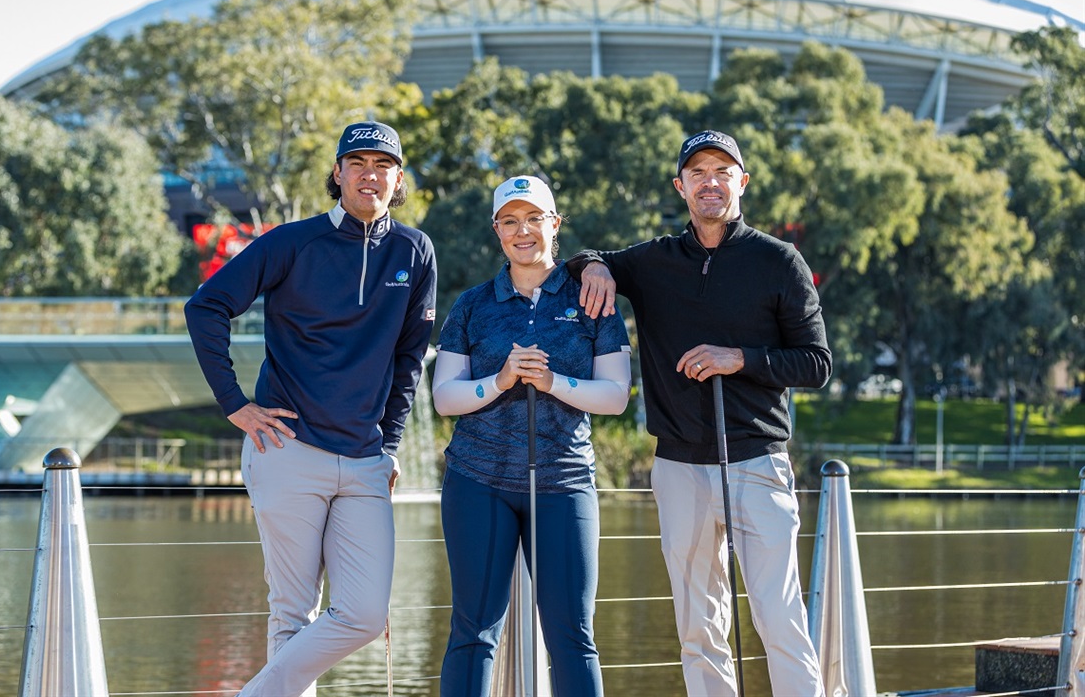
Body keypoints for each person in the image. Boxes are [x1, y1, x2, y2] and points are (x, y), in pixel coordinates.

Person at [568, 129, 831, 696]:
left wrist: (739, 358)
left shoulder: (778, 260)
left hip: (757, 463)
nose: (710, 182)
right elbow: (586, 258)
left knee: (779, 618)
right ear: (680, 186)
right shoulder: (654, 261)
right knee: (697, 624)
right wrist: (593, 266)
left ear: (742, 181)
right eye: (697, 173)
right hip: (679, 467)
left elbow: (815, 363)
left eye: (722, 171)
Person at [184, 120, 437, 697]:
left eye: (383, 165)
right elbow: (206, 308)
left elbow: (408, 360)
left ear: (398, 178)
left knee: (365, 614)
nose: (370, 174)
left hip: (366, 460)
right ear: (338, 173)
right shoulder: (291, 242)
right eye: (358, 163)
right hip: (286, 447)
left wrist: (391, 444)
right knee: (291, 614)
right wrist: (235, 405)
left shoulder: (415, 251)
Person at [431, 176, 632, 697]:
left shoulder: (593, 299)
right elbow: (444, 398)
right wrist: (498, 380)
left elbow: (615, 397)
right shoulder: (472, 305)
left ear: (555, 224)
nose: (523, 231)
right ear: (497, 231)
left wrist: (553, 382)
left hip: (564, 483)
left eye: (535, 218)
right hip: (478, 482)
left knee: (572, 636)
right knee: (473, 633)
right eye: (510, 221)